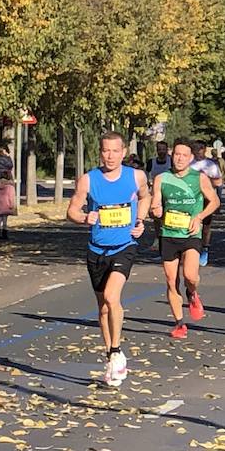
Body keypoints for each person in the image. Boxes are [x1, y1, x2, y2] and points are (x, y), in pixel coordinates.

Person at [66, 131, 150, 387]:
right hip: (96, 250)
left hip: (124, 246)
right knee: (103, 308)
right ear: (100, 152)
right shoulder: (88, 180)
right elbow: (71, 210)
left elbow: (146, 197)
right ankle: (111, 355)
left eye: (115, 151)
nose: (110, 156)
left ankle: (116, 350)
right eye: (106, 151)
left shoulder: (135, 176)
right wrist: (83, 218)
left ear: (123, 152)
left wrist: (140, 220)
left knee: (113, 298)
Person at [150, 138, 220, 338]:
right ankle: (179, 324)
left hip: (191, 233)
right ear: (173, 156)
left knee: (190, 276)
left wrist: (199, 217)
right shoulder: (162, 178)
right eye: (177, 155)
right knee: (171, 281)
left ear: (191, 158)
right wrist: (156, 209)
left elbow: (214, 201)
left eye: (184, 155)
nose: (180, 158)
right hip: (169, 234)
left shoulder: (199, 178)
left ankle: (192, 293)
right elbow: (155, 203)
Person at [191, 140, 224, 265]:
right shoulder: (189, 163)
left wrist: (205, 180)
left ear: (205, 150)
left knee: (205, 226)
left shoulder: (211, 165)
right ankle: (189, 249)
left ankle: (204, 248)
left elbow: (218, 182)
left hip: (206, 198)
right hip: (191, 198)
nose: (198, 151)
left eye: (200, 148)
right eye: (195, 148)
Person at [0, 146, 16, 239]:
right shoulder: (9, 186)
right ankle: (4, 232)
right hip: (6, 205)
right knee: (4, 219)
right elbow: (10, 166)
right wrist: (12, 205)